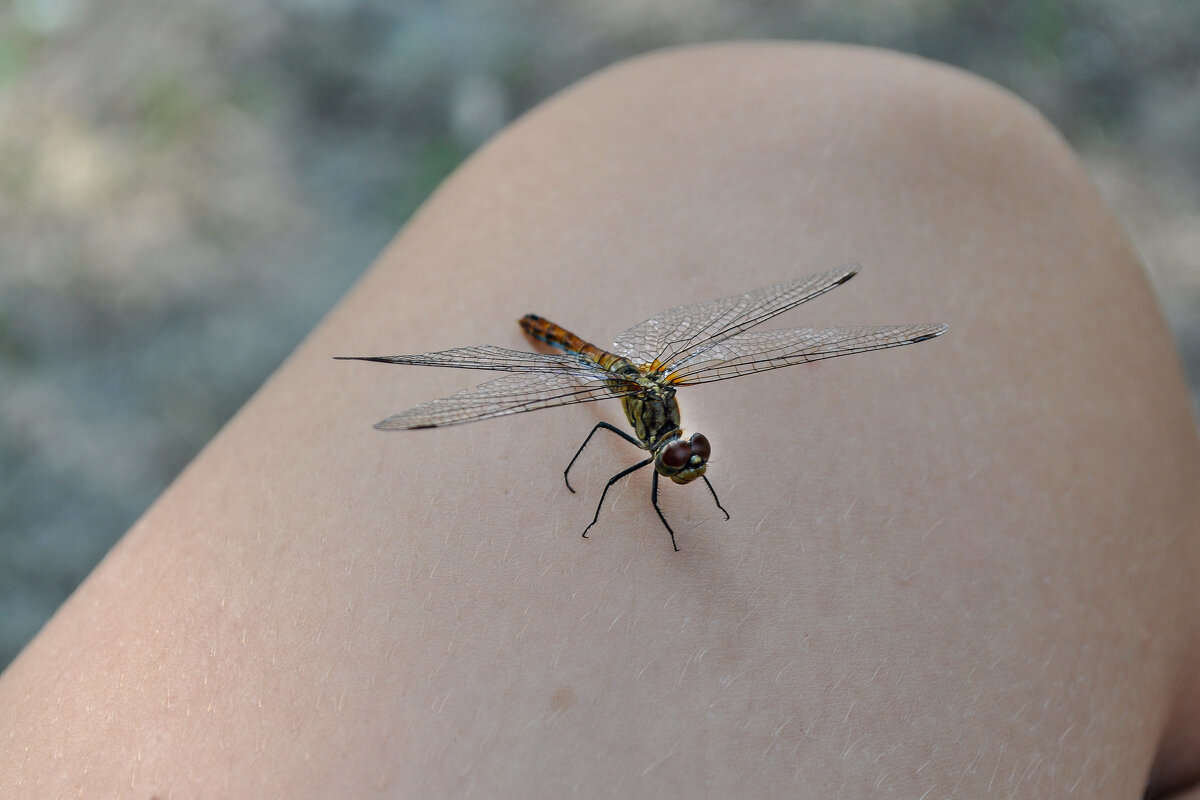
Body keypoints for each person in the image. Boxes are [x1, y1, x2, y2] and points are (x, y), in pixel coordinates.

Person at [2, 42, 1198, 798]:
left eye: (681, 456)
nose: (678, 463)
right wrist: (605, 475)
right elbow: (600, 445)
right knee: (890, 158)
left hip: (644, 312)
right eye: (676, 455)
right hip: (564, 349)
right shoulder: (626, 426)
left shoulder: (682, 418)